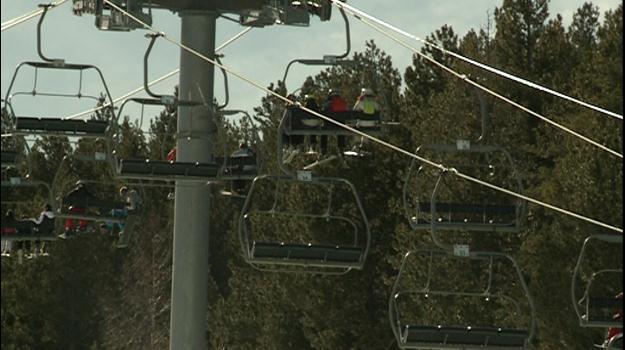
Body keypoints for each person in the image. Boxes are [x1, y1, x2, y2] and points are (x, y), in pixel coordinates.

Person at [323, 89, 349, 154]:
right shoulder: (342, 102)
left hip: (330, 124)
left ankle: (323, 148)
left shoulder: (328, 103)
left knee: (323, 131)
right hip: (340, 125)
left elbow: (323, 112)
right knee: (341, 130)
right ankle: (341, 147)